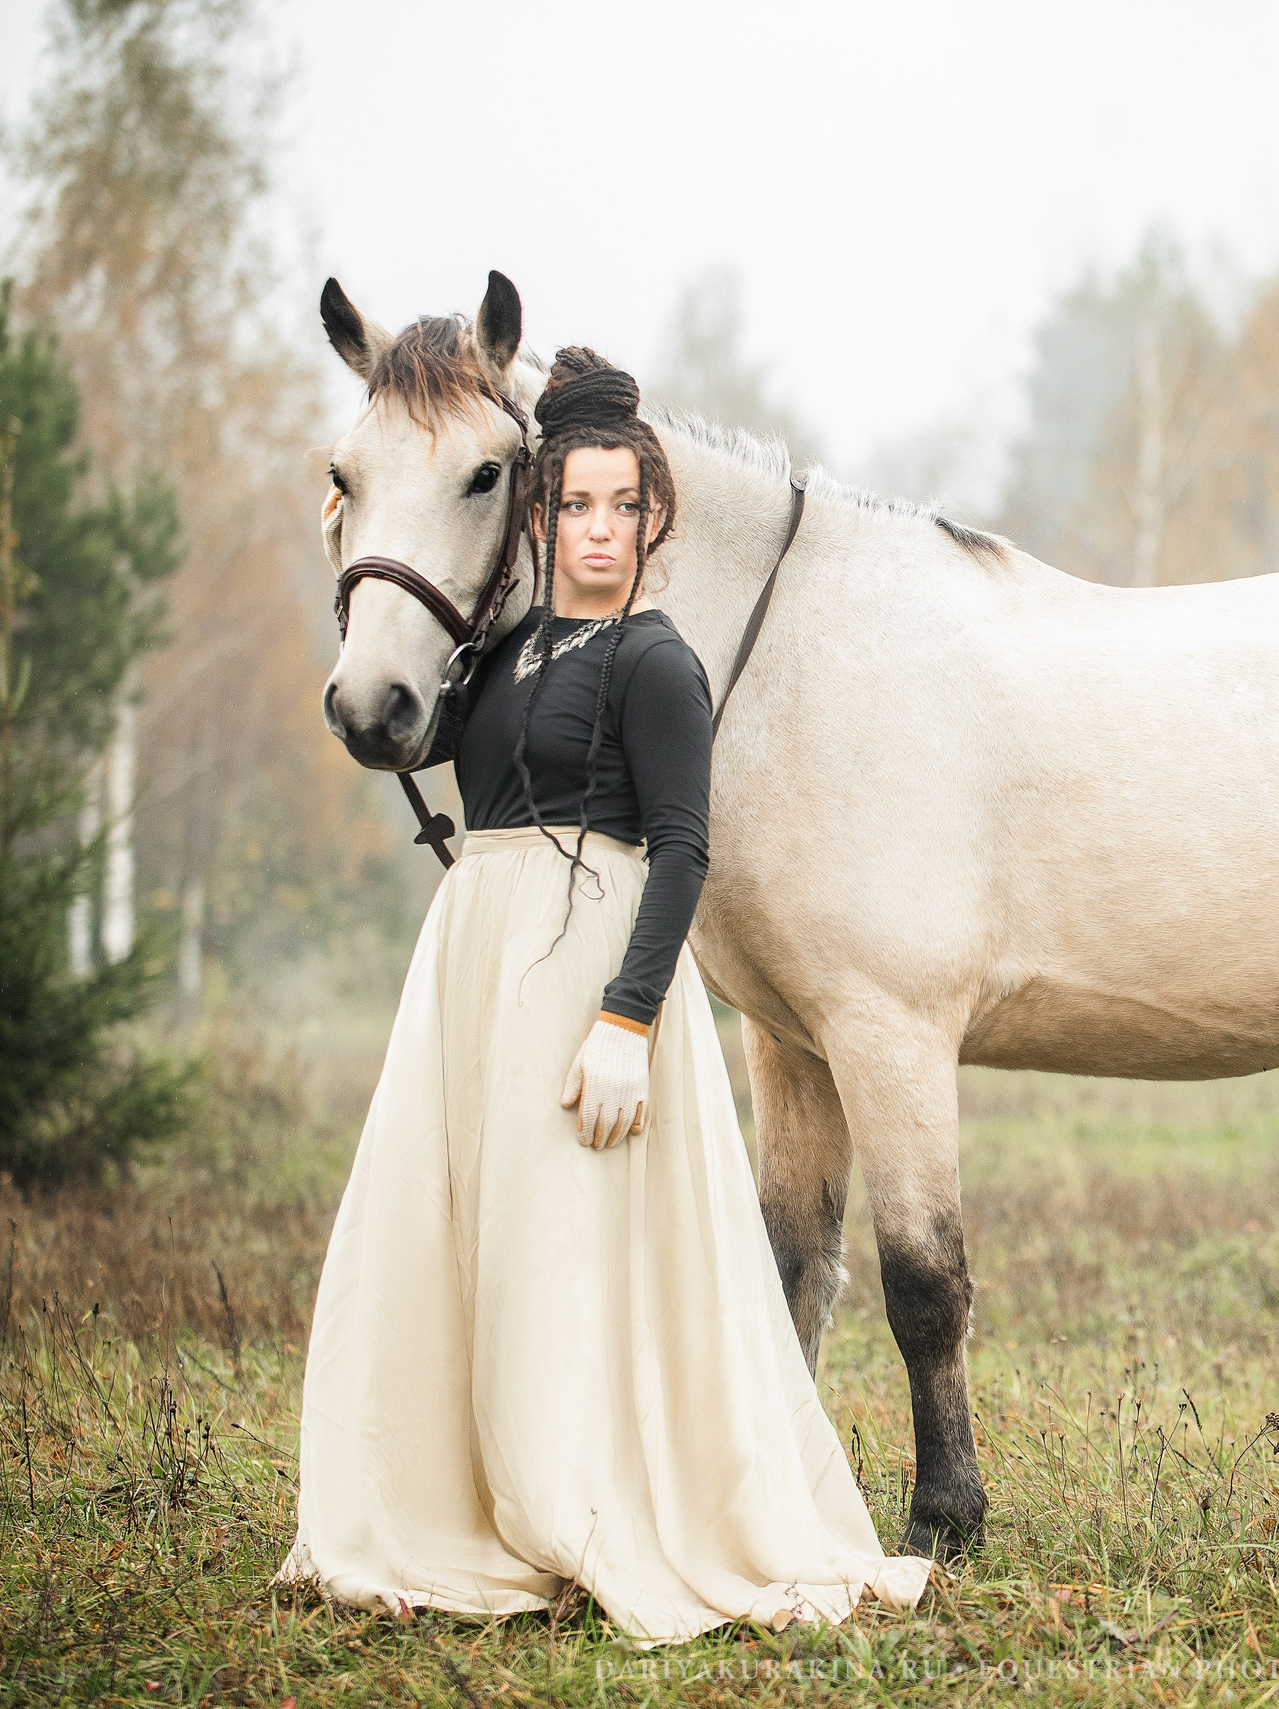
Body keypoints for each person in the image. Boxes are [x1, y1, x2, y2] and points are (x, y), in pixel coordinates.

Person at [277, 345, 933, 1647]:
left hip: (599, 980)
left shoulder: (655, 667)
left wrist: (630, 1018)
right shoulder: (501, 660)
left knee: (592, 1257)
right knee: (490, 1243)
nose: (594, 531)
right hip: (482, 977)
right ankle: (467, 1504)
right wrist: (360, 535)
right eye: (572, 506)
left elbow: (683, 848)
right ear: (542, 515)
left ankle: (597, 1504)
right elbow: (407, 718)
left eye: (619, 509)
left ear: (651, 521)